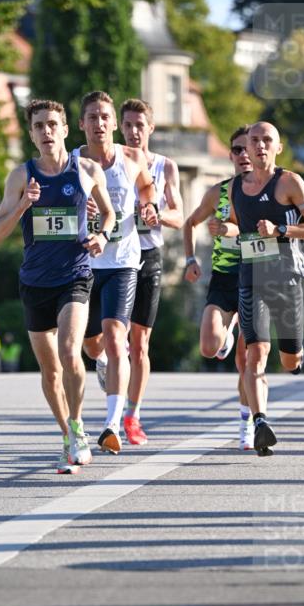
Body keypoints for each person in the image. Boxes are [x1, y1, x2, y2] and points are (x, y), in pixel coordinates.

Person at [0, 98, 115, 473]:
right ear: (31, 134)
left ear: (65, 130)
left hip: (75, 276)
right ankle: (67, 434)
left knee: (69, 350)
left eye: (52, 125)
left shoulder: (87, 169)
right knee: (50, 372)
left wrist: (103, 236)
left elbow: (109, 213)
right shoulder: (20, 176)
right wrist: (24, 205)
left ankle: (78, 425)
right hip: (35, 282)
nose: (46, 132)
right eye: (39, 126)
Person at [221, 121, 304, 455]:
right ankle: (260, 422)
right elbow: (241, 229)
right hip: (251, 280)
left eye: (268, 140)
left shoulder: (290, 182)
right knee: (256, 353)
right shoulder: (236, 188)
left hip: (287, 279)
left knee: (288, 358)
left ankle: (296, 358)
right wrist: (226, 228)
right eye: (254, 141)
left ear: (278, 147)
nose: (261, 146)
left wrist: (280, 229)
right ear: (246, 149)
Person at [76, 91, 155, 454]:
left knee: (114, 333)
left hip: (123, 261)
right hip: (82, 264)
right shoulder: (72, 161)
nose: (100, 123)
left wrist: (149, 205)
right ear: (82, 124)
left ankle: (111, 424)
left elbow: (146, 187)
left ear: (113, 123)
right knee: (92, 347)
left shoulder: (132, 158)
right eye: (92, 117)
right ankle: (106, 361)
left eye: (105, 117)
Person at [114, 98, 184, 445]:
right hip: (112, 257)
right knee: (100, 341)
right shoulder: (111, 162)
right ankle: (106, 363)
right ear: (120, 127)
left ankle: (132, 415)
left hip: (148, 255)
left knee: (139, 344)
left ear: (150, 129)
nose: (134, 131)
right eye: (128, 125)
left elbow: (179, 215)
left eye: (140, 125)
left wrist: (157, 212)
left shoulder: (165, 166)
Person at [183, 126, 255, 450]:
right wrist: (189, 260)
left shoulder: (270, 194)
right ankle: (228, 329)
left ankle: (246, 421)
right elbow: (189, 223)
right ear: (231, 156)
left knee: (246, 360)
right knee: (209, 347)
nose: (243, 155)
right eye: (237, 149)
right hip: (224, 278)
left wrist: (232, 230)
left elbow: (279, 236)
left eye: (248, 149)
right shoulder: (218, 193)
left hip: (257, 277)